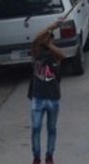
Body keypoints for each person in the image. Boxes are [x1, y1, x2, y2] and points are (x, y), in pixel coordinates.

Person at [28, 22, 68, 164]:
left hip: (53, 97)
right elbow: (35, 40)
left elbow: (62, 56)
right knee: (36, 127)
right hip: (38, 97)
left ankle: (49, 155)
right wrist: (52, 26)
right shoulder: (37, 53)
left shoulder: (54, 55)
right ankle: (36, 156)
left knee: (52, 128)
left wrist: (50, 45)